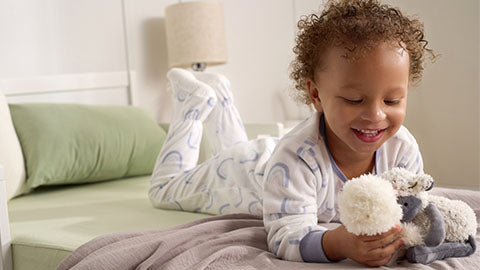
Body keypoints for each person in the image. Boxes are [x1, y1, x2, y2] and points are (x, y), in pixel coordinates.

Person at [149, 0, 435, 266]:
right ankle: (192, 105)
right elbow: (286, 234)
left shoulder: (402, 148)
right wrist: (339, 243)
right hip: (243, 173)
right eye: (354, 100)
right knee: (162, 191)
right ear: (316, 95)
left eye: (392, 100)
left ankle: (221, 95)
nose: (376, 115)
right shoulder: (296, 158)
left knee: (236, 147)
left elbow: (412, 210)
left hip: (272, 160)